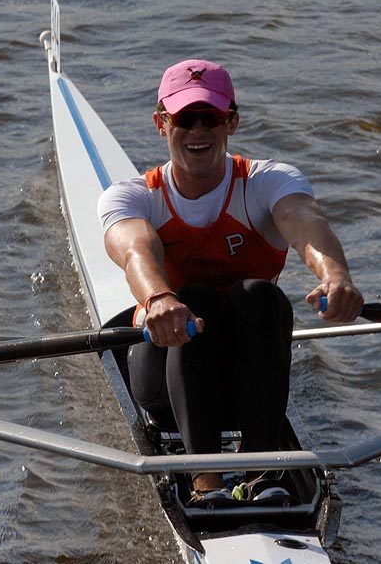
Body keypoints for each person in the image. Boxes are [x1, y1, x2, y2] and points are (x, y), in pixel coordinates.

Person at [98, 59, 363, 505]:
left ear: (232, 122)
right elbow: (135, 251)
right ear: (161, 123)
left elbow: (305, 223)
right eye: (185, 118)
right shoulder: (132, 197)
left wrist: (335, 277)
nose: (198, 131)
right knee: (194, 300)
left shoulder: (268, 182)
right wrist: (160, 298)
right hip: (163, 377)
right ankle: (206, 482)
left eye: (211, 118)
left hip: (241, 374)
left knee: (261, 296)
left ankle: (262, 475)